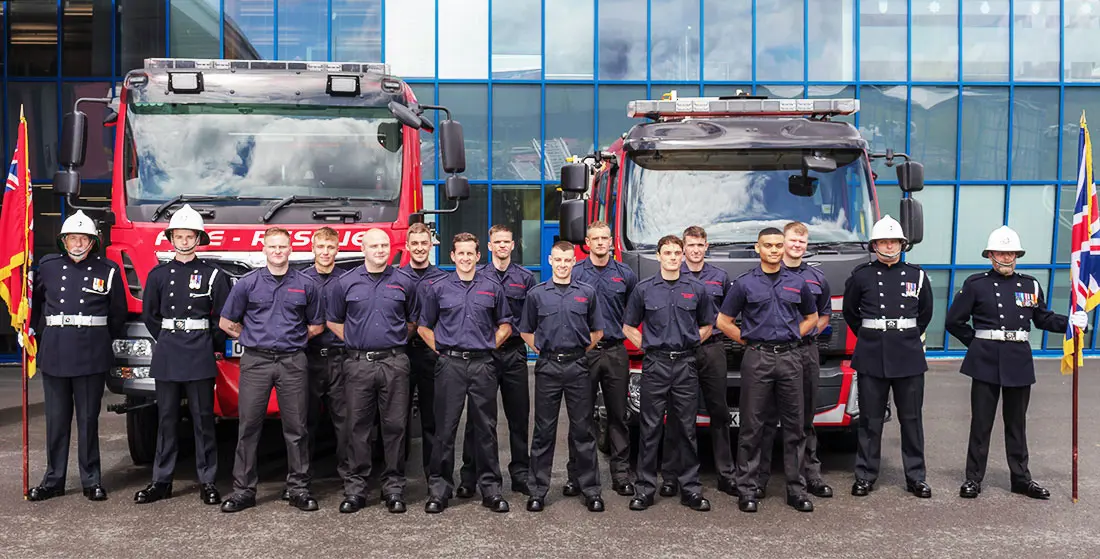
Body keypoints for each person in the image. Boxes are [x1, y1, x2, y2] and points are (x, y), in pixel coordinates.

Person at [946, 226, 1083, 500]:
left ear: (1016, 255)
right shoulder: (976, 284)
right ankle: (973, 478)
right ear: (990, 255)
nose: (1006, 257)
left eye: (1011, 253)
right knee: (981, 424)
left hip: (1017, 360)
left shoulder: (1030, 284)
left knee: (1017, 424)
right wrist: (977, 344)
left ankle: (1020, 478)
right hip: (985, 360)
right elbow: (954, 321)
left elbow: (1042, 318)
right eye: (1001, 252)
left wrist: (1070, 323)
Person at [218, 227, 325, 513]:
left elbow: (317, 325)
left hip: (293, 362)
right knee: (248, 427)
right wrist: (251, 337)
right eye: (273, 247)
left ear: (291, 250)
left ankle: (298, 488)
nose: (278, 252)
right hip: (256, 362)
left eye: (283, 247)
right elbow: (226, 322)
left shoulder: (306, 285)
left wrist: (295, 340)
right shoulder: (247, 284)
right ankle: (243, 490)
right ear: (264, 249)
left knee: (297, 427)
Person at [717, 227, 818, 513]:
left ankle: (796, 490)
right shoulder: (745, 284)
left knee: (794, 427)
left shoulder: (797, 283)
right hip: (757, 358)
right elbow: (724, 321)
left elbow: (812, 317)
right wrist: (748, 338)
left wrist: (792, 334)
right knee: (752, 426)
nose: (774, 250)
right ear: (757, 249)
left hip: (790, 359)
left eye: (777, 245)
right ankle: (747, 489)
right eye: (768, 246)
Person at [134, 205, 230, 506]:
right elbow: (150, 316)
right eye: (179, 235)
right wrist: (167, 338)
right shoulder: (158, 274)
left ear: (199, 239)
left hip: (199, 352)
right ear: (171, 237)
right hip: (168, 352)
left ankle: (208, 480)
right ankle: (161, 481)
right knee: (166, 419)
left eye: (190, 236)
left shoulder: (213, 274)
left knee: (203, 419)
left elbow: (221, 319)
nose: (184, 241)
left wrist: (208, 343)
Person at [27, 210, 126, 502]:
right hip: (56, 352)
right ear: (63, 241)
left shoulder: (107, 269)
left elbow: (117, 313)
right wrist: (31, 330)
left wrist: (99, 340)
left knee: (87, 421)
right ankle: (53, 480)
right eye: (72, 238)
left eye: (83, 238)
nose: (78, 243)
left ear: (93, 241)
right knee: (56, 421)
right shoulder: (46, 266)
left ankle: (91, 480)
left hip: (90, 354)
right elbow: (34, 305)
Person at [417, 232, 513, 514]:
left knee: (486, 429)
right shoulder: (439, 288)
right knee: (445, 429)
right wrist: (443, 350)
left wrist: (486, 346)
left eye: (470, 253)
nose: (466, 258)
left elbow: (506, 325)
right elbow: (424, 327)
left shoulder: (492, 286)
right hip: (451, 365)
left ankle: (491, 490)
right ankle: (439, 490)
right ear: (452, 256)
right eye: (461, 253)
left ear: (478, 255)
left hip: (483, 364)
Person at [842, 215, 934, 499]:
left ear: (902, 244)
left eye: (893, 241)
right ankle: (865, 475)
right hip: (872, 354)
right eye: (883, 241)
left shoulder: (916, 275)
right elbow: (851, 313)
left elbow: (925, 314)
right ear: (875, 244)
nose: (889, 245)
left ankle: (916, 477)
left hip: (907, 354)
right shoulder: (861, 275)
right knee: (870, 420)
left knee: (911, 419)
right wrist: (872, 336)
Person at [327, 229, 418, 514]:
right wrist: (358, 339)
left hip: (394, 362)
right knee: (357, 428)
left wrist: (392, 339)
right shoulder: (345, 283)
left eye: (384, 245)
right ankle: (356, 489)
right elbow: (333, 320)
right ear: (363, 248)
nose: (380, 250)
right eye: (374, 245)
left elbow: (413, 321)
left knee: (395, 428)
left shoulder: (404, 282)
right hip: (358, 365)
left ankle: (394, 488)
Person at [622, 235, 713, 512]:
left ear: (683, 256)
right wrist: (648, 346)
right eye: (668, 253)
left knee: (686, 428)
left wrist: (690, 342)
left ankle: (690, 489)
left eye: (677, 253)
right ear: (659, 256)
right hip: (656, 364)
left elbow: (708, 325)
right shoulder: (644, 289)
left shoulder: (697, 289)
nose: (673, 257)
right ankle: (645, 489)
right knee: (650, 428)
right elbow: (628, 326)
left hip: (685, 364)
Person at [519, 240, 605, 513]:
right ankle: (537, 491)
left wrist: (576, 352)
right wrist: (545, 351)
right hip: (548, 368)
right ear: (550, 260)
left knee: (583, 430)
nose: (563, 265)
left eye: (568, 260)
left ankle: (591, 490)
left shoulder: (587, 293)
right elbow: (526, 331)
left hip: (578, 366)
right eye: (558, 260)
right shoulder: (536, 294)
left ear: (573, 262)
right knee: (544, 431)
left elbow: (597, 332)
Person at [756, 221, 835, 499]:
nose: (796, 245)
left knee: (805, 418)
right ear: (782, 242)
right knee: (766, 418)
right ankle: (760, 479)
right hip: (771, 354)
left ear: (806, 245)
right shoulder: (765, 275)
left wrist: (800, 334)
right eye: (791, 240)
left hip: (805, 351)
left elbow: (824, 315)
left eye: (802, 242)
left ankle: (810, 476)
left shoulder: (816, 278)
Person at [457, 225, 536, 497]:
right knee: (477, 420)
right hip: (485, 356)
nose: (502, 246)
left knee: (518, 417)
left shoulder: (525, 279)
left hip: (514, 354)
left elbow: (530, 319)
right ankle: (469, 476)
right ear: (489, 247)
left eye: (507, 242)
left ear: (513, 245)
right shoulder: (477, 277)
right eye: (497, 242)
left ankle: (521, 475)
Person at [660, 226, 736, 498]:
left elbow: (729, 314)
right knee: (678, 416)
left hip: (712, 349)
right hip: (680, 353)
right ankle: (671, 476)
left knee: (719, 413)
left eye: (700, 245)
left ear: (707, 247)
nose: (695, 250)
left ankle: (726, 475)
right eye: (690, 245)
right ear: (683, 248)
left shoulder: (720, 277)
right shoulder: (672, 276)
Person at [566, 220, 638, 497]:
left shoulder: (625, 274)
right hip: (584, 352)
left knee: (618, 416)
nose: (600, 243)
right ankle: (577, 476)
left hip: (616, 351)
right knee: (580, 417)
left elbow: (634, 310)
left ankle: (621, 475)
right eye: (595, 238)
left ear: (610, 241)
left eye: (605, 238)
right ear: (586, 243)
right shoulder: (576, 273)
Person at [292, 227, 349, 501]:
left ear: (337, 250)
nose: (325, 252)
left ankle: (350, 479)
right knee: (304, 423)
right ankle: (301, 481)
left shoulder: (347, 281)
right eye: (321, 247)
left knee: (345, 423)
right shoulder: (300, 280)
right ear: (312, 249)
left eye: (330, 247)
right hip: (309, 358)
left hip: (341, 359)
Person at [398, 223, 449, 480]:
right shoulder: (395, 277)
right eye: (414, 244)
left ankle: (434, 476)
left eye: (424, 243)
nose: (419, 248)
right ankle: (397, 478)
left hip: (431, 355)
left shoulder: (442, 279)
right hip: (400, 354)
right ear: (407, 247)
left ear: (431, 246)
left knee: (432, 419)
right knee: (396, 420)